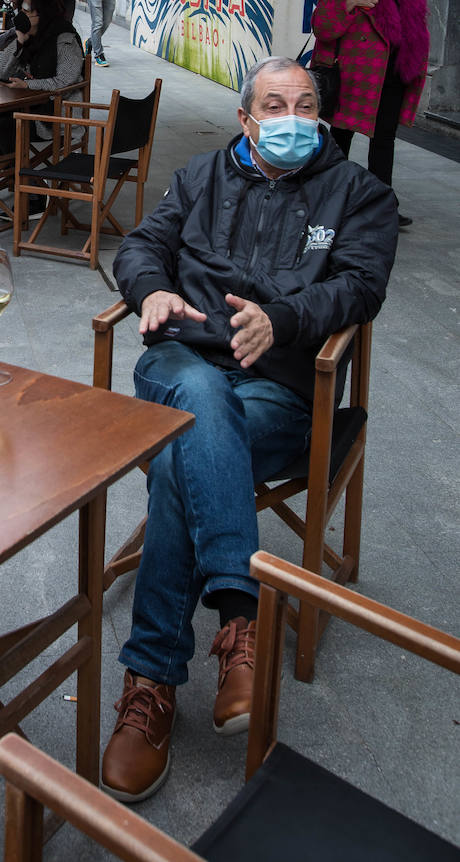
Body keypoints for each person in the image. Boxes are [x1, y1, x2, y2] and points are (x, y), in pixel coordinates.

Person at [98, 57, 398, 803]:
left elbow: (359, 287)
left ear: (321, 114)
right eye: (274, 103)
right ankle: (241, 616)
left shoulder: (360, 194)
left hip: (280, 387)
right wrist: (153, 288)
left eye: (304, 104)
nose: (291, 116)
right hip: (181, 361)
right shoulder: (200, 177)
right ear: (245, 117)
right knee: (197, 396)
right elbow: (138, 246)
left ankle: (150, 685)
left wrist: (284, 320)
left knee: (181, 458)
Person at [310, 0, 429, 228]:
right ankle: (329, 198)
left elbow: (415, 29)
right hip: (355, 74)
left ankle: (382, 206)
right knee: (340, 137)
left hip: (393, 75)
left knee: (384, 141)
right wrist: (351, 2)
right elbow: (322, 24)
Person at [0, 0, 84, 217]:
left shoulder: (64, 38)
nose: (22, 16)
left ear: (44, 14)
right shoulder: (29, 36)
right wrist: (19, 42)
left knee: (4, 128)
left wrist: (28, 86)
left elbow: (64, 80)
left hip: (57, 113)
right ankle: (26, 181)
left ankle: (34, 195)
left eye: (28, 12)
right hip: (27, 108)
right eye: (21, 11)